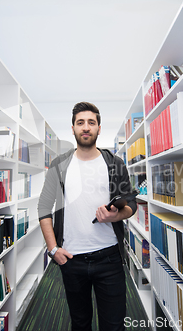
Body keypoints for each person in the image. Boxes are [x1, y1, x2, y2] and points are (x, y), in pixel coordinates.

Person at [38, 101, 137, 331]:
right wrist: (53, 250)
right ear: (72, 128)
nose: (86, 127)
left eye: (91, 122)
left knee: (114, 326)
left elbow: (131, 204)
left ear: (99, 128)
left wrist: (115, 216)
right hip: (72, 260)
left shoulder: (114, 164)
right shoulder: (59, 165)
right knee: (80, 323)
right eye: (80, 122)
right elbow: (44, 207)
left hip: (110, 259)